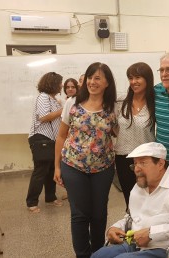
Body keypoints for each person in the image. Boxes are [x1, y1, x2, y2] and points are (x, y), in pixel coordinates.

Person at [91, 142, 169, 258]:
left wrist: (152, 233)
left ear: (160, 163)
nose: (136, 169)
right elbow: (133, 217)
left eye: (142, 163)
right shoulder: (140, 186)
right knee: (99, 255)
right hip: (139, 245)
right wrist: (115, 228)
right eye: (135, 164)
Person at [54, 62, 117, 258]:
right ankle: (82, 255)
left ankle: (97, 253)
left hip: (103, 167)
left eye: (97, 78)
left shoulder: (113, 107)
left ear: (107, 83)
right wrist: (56, 167)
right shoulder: (72, 103)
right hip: (73, 166)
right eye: (90, 77)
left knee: (99, 214)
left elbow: (117, 134)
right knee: (80, 214)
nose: (92, 82)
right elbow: (61, 136)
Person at [115, 62, 156, 210]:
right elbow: (113, 126)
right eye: (130, 78)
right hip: (123, 157)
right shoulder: (121, 102)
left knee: (149, 200)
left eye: (138, 77)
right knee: (130, 200)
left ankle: (148, 232)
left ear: (147, 79)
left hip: (147, 159)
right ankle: (132, 230)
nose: (133, 82)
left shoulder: (155, 102)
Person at [26, 72, 64, 213]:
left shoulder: (53, 99)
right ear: (53, 83)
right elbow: (44, 117)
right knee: (41, 170)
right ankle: (31, 202)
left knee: (51, 170)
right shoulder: (43, 97)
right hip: (41, 137)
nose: (62, 85)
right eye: (60, 82)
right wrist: (63, 110)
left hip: (51, 139)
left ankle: (50, 197)